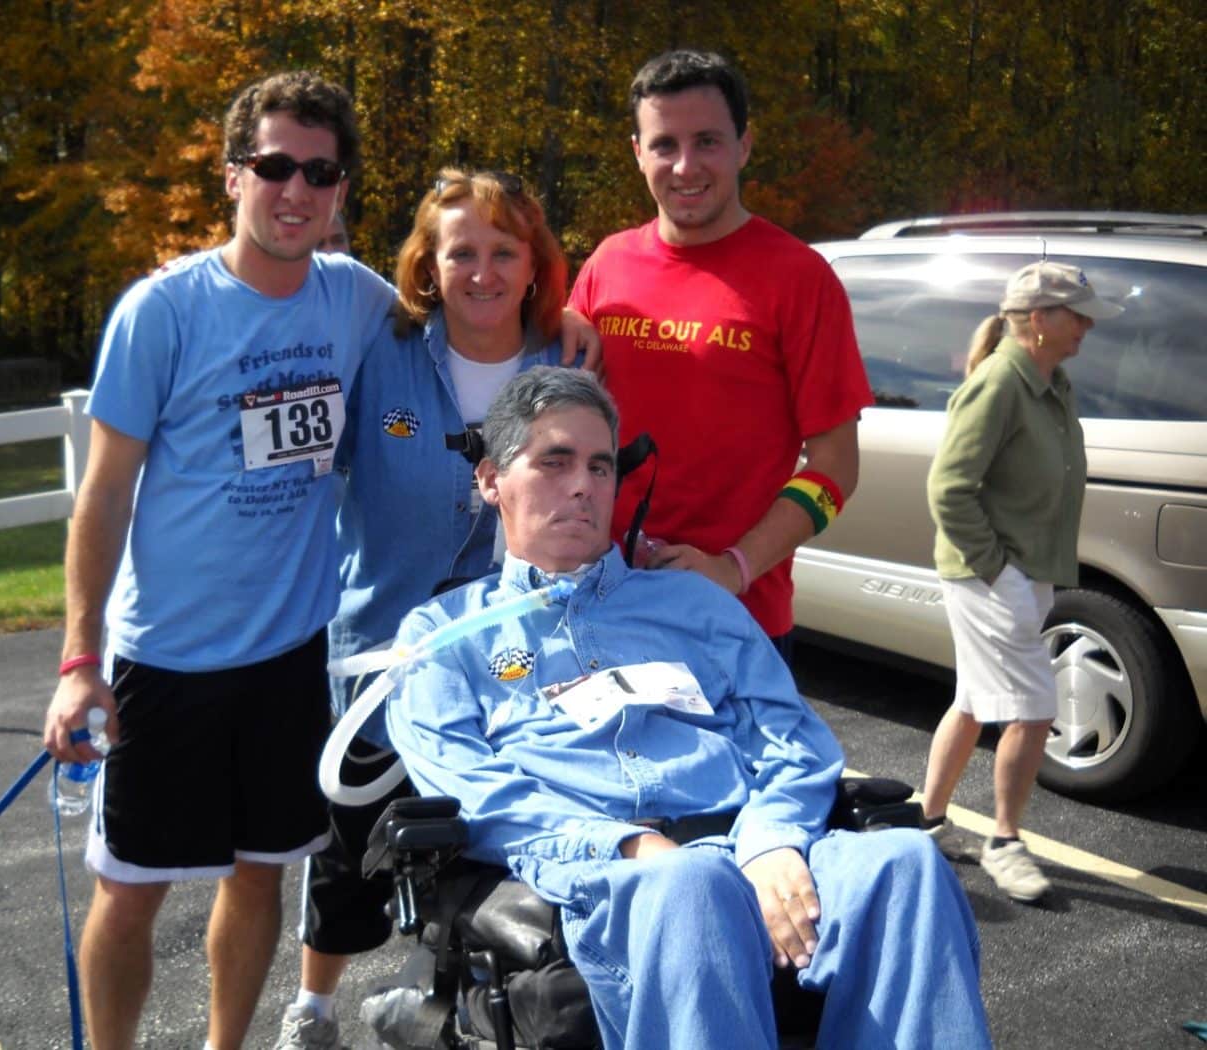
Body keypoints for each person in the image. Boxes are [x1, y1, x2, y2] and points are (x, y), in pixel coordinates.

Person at [383, 366, 992, 1050]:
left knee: (906, 866)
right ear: (492, 479)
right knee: (691, 883)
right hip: (610, 877)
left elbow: (792, 738)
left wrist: (772, 839)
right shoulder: (444, 636)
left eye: (600, 466)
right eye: (555, 461)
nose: (583, 485)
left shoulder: (695, 604)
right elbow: (471, 787)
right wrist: (630, 845)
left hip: (751, 843)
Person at [41, 71, 397, 1050]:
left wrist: (562, 320)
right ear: (232, 175)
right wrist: (79, 661)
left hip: (288, 658)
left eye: (319, 172)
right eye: (275, 166)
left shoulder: (357, 298)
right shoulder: (163, 310)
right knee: (130, 889)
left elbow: (469, 306)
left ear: (339, 188)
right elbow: (103, 495)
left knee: (260, 871)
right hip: (167, 662)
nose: (296, 190)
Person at [275, 169, 572, 1048]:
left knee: (495, 849)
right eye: (460, 252)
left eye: (503, 251)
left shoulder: (566, 365)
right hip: (380, 660)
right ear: (427, 267)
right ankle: (314, 1007)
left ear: (533, 264)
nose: (482, 272)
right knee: (349, 853)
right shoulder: (379, 355)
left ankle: (471, 1010)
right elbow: (298, 468)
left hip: (515, 668)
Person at [567, 49, 872, 661]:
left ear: (744, 146)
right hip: (602, 600)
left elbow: (837, 468)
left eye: (707, 141)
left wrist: (733, 567)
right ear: (637, 153)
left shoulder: (800, 278)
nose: (685, 166)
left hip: (736, 618)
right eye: (664, 145)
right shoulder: (607, 263)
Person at [920, 261, 1122, 902]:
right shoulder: (1001, 383)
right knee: (1035, 708)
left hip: (1021, 570)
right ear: (1038, 320)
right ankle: (1004, 842)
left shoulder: (1051, 383)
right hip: (992, 574)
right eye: (1076, 315)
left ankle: (926, 821)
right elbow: (948, 489)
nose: (1087, 327)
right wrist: (995, 569)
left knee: (974, 701)